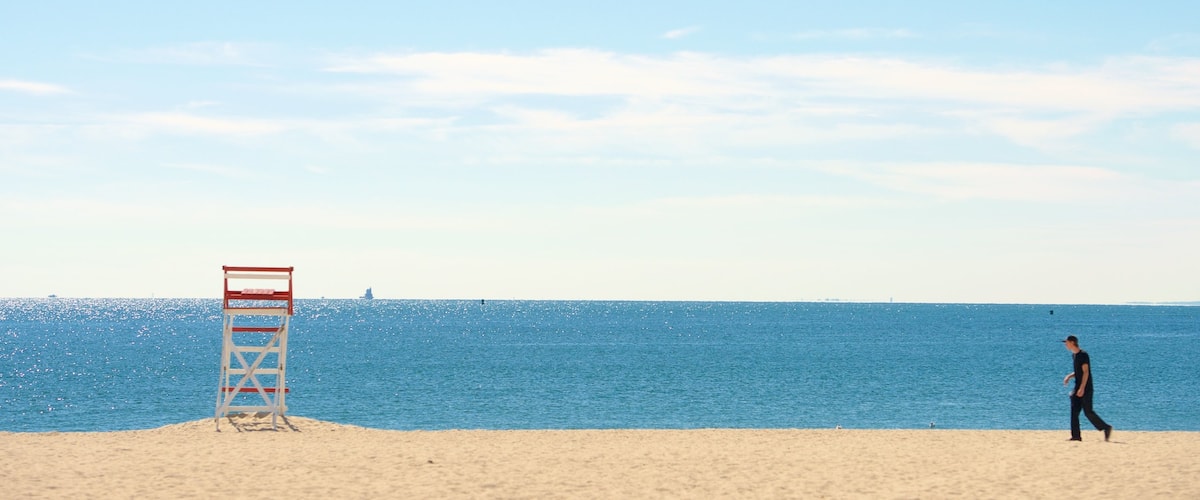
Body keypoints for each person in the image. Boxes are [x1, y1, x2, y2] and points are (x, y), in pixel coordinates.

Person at [1062, 335, 1113, 441]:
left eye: (1066, 342)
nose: (1065, 344)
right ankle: (1076, 436)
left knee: (1088, 412)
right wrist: (1069, 376)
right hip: (1078, 387)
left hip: (1086, 388)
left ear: (1072, 343)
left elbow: (1086, 372)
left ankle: (1106, 428)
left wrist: (1082, 388)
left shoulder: (1083, 355)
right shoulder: (1074, 356)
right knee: (1074, 411)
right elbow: (1078, 372)